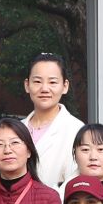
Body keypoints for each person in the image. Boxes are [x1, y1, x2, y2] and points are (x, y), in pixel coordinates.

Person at [21, 53, 85, 189]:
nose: (44, 89)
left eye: (52, 82)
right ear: (27, 85)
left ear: (65, 86)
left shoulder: (77, 130)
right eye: (37, 81)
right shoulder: (16, 130)